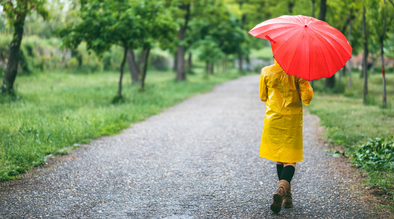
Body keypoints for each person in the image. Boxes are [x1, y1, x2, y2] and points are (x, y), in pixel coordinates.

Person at [259, 59, 313, 213]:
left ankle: (287, 198)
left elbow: (263, 96)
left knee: (280, 157)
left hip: (273, 119)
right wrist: (305, 83)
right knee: (290, 159)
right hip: (291, 120)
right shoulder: (298, 74)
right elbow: (307, 97)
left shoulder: (266, 71)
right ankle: (281, 191)